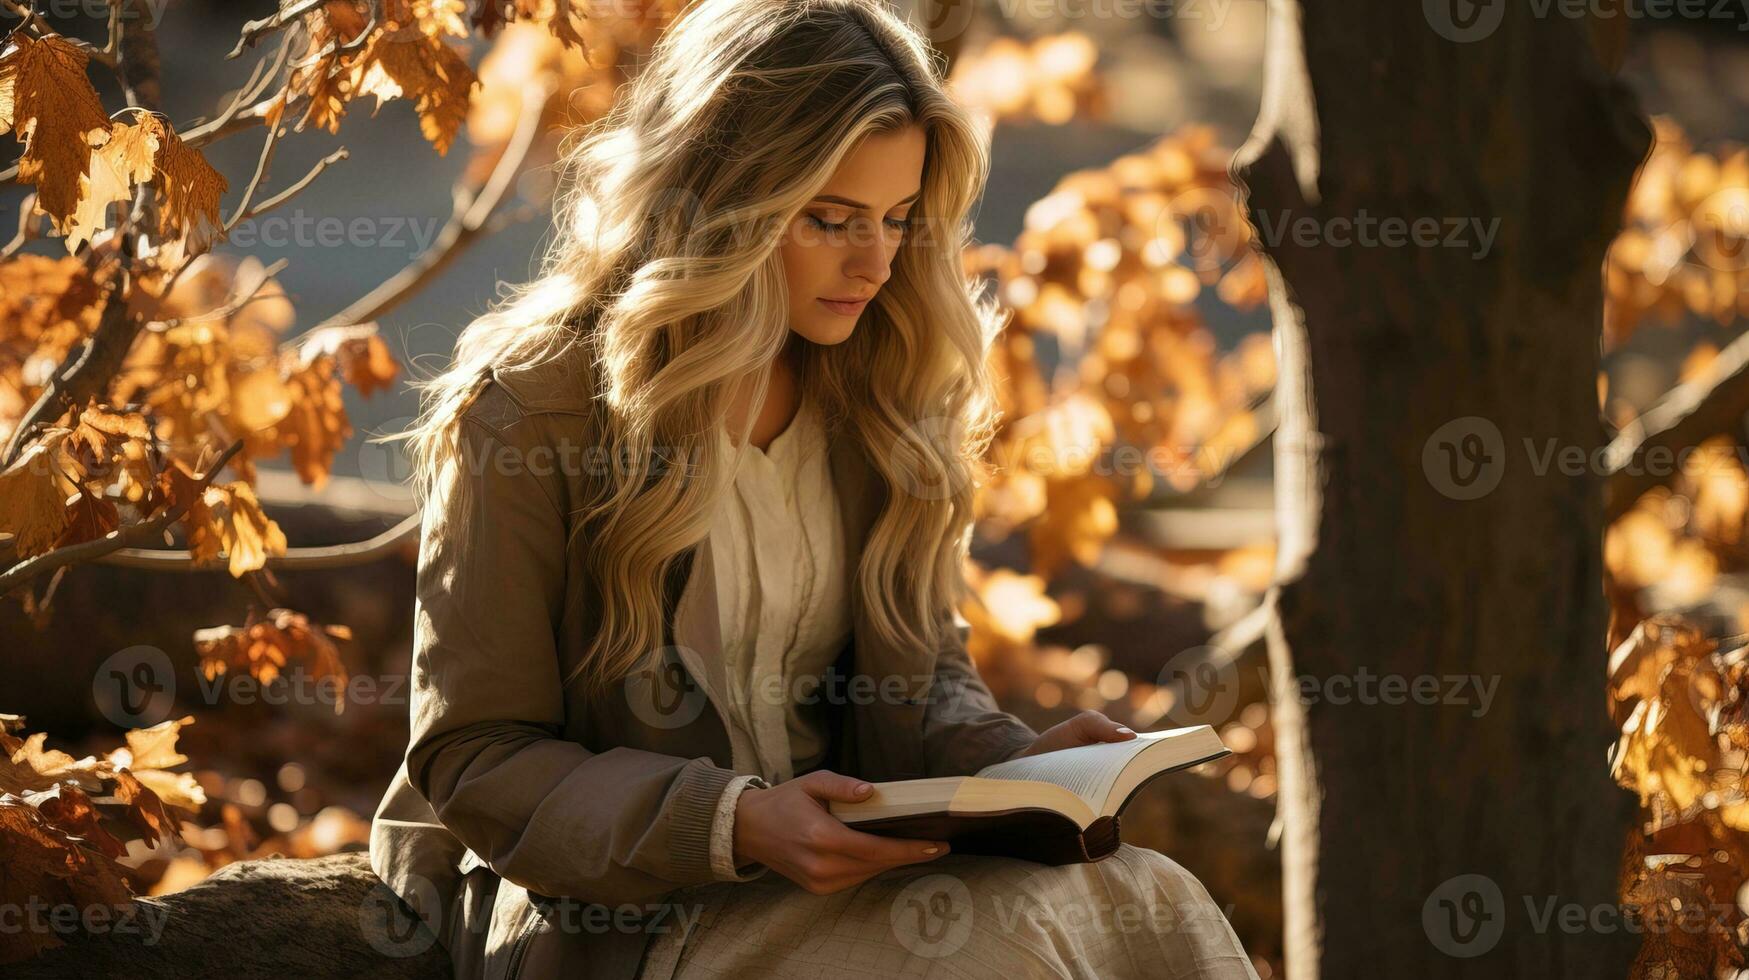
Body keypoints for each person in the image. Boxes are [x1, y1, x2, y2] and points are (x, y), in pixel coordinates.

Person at [368, 1, 1260, 977]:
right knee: (998, 947)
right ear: (721, 202)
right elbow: (477, 757)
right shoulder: (532, 410)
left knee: (1150, 892)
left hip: (852, 874)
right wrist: (735, 821)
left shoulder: (878, 390)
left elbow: (917, 683)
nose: (876, 262)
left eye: (897, 219)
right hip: (619, 917)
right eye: (831, 219)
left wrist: (1018, 766)